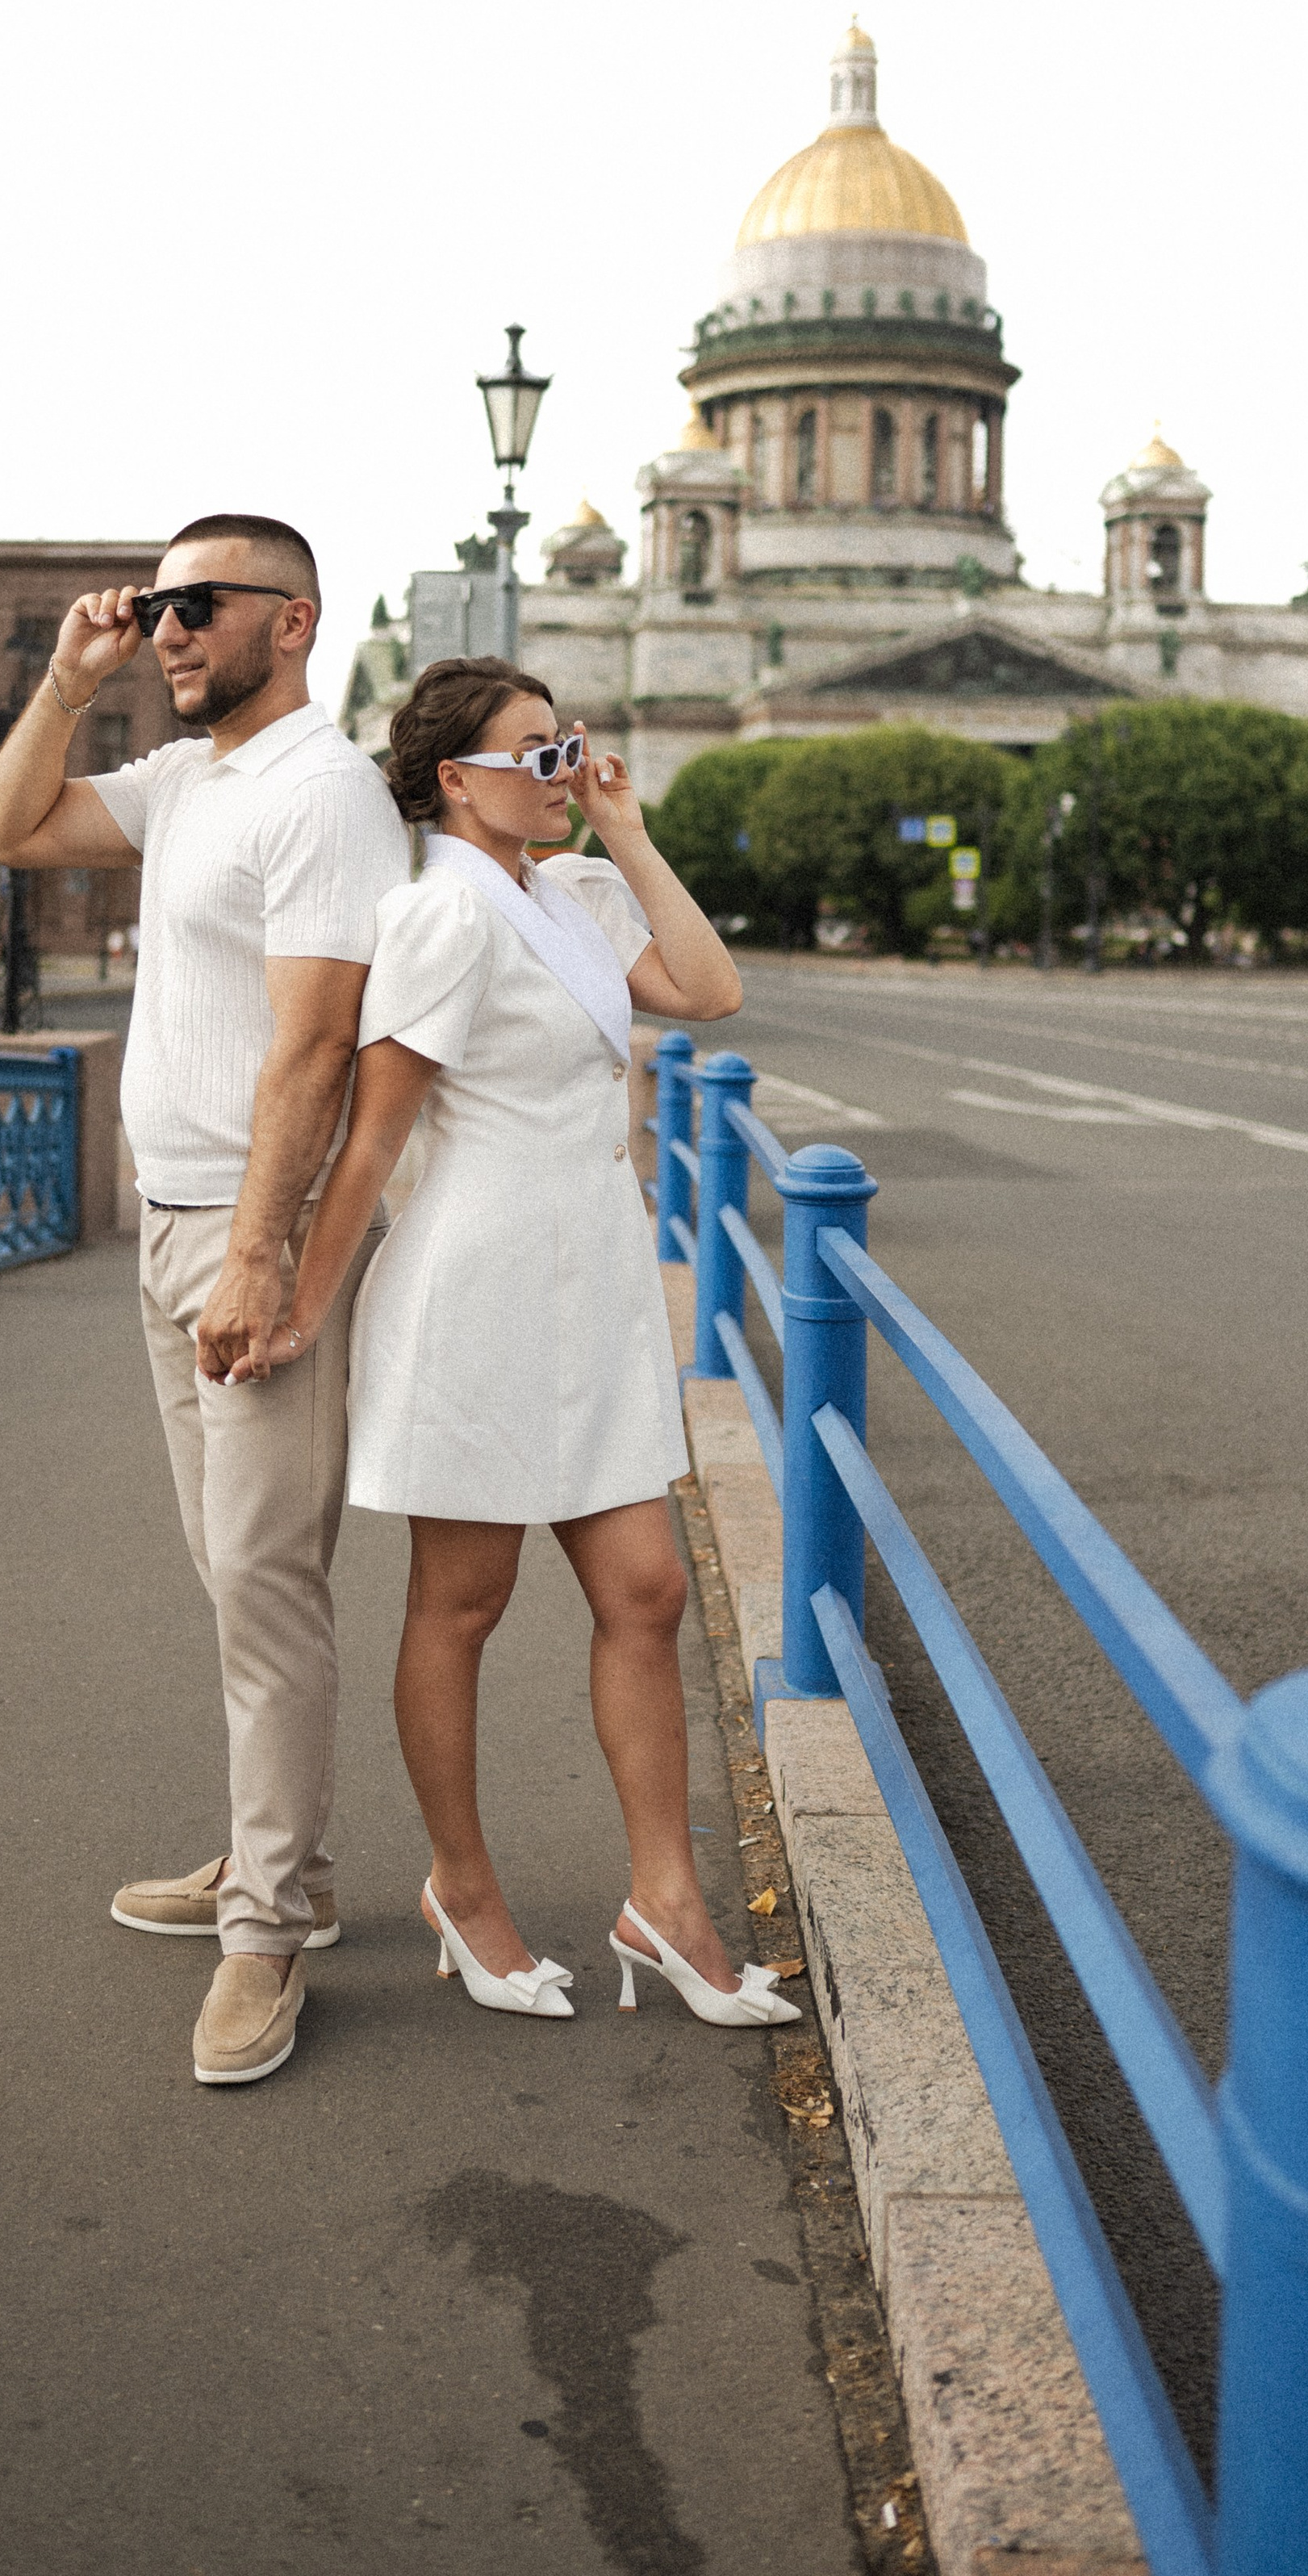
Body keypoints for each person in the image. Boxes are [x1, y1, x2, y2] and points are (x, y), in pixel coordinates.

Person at [232, 657, 800, 2032]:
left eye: (571, 744)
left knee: (648, 1592)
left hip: (594, 1278)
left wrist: (627, 831)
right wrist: (302, 1299)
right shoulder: (438, 919)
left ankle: (662, 1903)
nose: (562, 768)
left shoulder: (588, 898)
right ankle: (463, 1889)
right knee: (464, 1604)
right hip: (475, 1286)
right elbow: (373, 1139)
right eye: (536, 752)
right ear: (454, 780)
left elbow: (711, 993)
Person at [0, 516, 407, 2088]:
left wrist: (261, 1252)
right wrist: (66, 680)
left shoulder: (325, 794)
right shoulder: (189, 783)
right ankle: (262, 1854)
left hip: (246, 1231)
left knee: (263, 1576)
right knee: (233, 1578)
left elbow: (312, 1047)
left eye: (190, 607)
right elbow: (7, 832)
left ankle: (269, 1926)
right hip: (170, 1226)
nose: (161, 628)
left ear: (289, 622)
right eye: (149, 606)